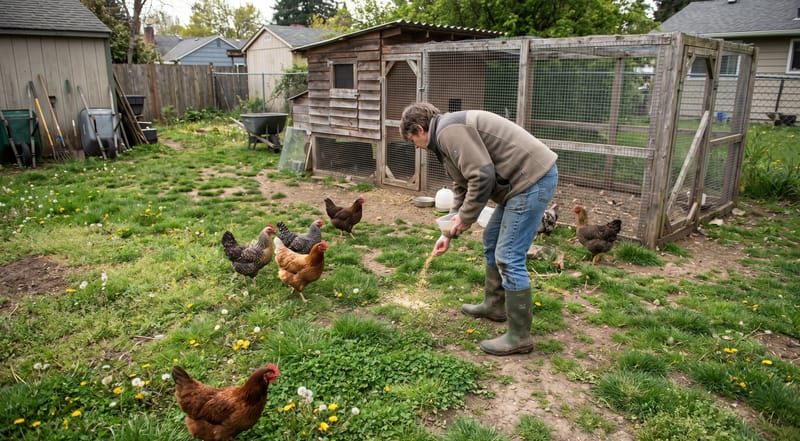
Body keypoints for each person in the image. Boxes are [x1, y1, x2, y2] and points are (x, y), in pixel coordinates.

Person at [400, 102, 558, 356]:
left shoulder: (448, 132)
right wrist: (449, 231)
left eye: (413, 140)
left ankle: (520, 337)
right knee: (492, 239)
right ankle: (495, 305)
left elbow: (482, 175)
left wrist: (466, 218)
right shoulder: (447, 135)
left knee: (509, 256)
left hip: (531, 180)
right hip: (517, 184)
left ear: (419, 129)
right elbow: (462, 183)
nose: (417, 146)